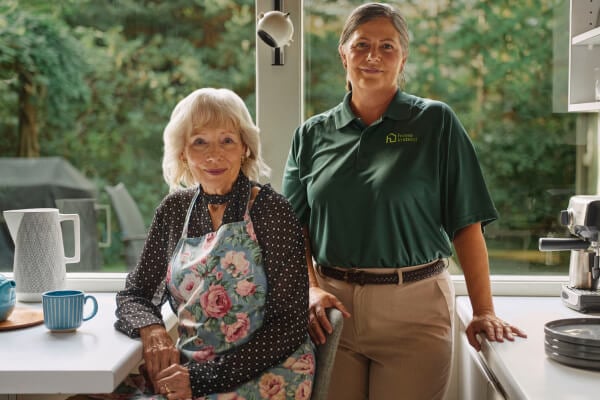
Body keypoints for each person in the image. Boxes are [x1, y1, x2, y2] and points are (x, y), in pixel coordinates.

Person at [281, 3, 527, 400]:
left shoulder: (435, 123)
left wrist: (483, 310)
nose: (373, 56)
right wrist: (309, 289)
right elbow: (293, 231)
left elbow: (467, 224)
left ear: (403, 58)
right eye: (361, 45)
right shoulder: (311, 135)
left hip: (414, 313)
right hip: (333, 314)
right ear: (343, 53)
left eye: (387, 46)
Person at [87, 88, 315, 400]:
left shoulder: (270, 210)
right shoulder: (174, 210)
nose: (214, 154)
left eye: (227, 140)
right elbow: (135, 294)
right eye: (199, 142)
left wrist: (202, 380)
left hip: (266, 373)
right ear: (183, 152)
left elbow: (288, 325)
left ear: (245, 148)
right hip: (193, 369)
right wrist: (152, 330)